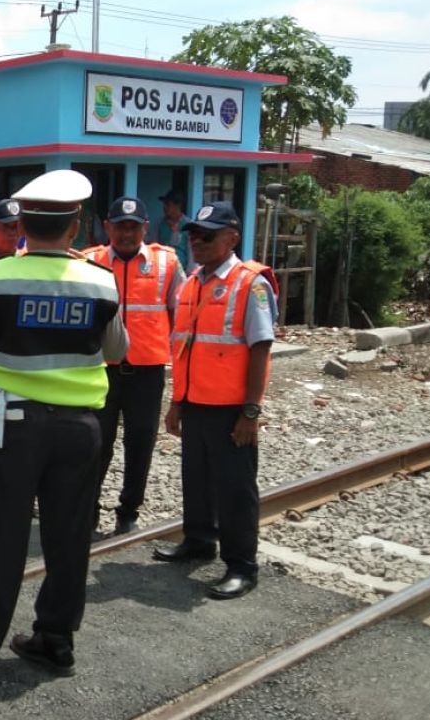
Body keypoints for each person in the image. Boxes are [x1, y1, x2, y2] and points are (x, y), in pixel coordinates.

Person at [0, 170, 127, 683]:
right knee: (69, 536)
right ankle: (55, 640)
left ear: (25, 225)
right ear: (75, 225)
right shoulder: (102, 280)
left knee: (0, 539)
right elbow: (118, 351)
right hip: (81, 429)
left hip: (11, 426)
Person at [153, 201, 278, 601]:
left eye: (208, 236)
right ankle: (199, 540)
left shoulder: (250, 283)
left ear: (232, 238)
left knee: (235, 489)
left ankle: (242, 565)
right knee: (197, 479)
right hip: (196, 403)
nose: (198, 242)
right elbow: (186, 349)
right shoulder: (192, 283)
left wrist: (251, 412)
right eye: (193, 235)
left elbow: (260, 349)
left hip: (231, 409)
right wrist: (177, 402)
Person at [82, 196, 184, 536]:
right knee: (96, 442)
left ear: (144, 228)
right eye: (119, 226)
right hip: (101, 369)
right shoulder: (89, 262)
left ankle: (129, 510)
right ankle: (89, 507)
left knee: (140, 443)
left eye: (133, 227)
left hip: (147, 371)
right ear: (107, 227)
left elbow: (181, 317)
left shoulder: (167, 262)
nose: (126, 234)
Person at [153, 189, 191, 268]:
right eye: (164, 204)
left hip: (182, 270)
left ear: (178, 206)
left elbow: (191, 253)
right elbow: (154, 245)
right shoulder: (159, 223)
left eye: (168, 204)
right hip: (162, 268)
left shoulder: (188, 225)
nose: (165, 207)